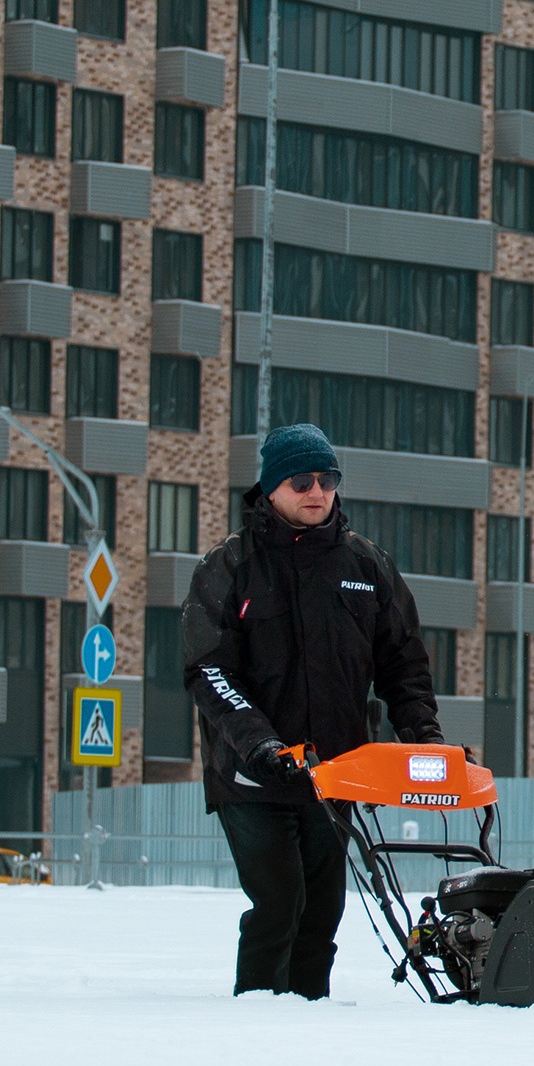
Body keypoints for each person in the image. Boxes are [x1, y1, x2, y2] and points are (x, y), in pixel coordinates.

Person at [182, 422, 441, 997]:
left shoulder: (366, 568)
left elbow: (404, 664)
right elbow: (208, 669)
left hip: (337, 773)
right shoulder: (230, 568)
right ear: (271, 487)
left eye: (327, 479)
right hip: (254, 776)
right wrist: (259, 744)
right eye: (301, 480)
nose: (316, 491)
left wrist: (422, 736)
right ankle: (256, 1012)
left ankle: (306, 1021)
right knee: (279, 902)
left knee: (322, 913)